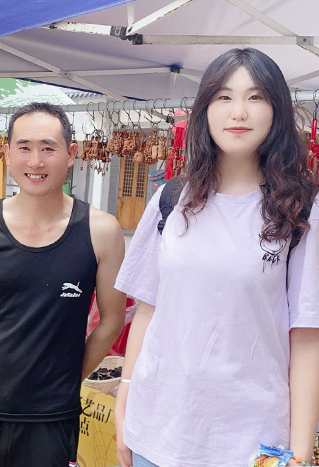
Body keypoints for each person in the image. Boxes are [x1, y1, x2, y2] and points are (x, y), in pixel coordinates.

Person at [114, 48, 319, 467]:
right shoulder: (171, 199)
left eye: (256, 97)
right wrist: (125, 394)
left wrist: (299, 453)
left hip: (249, 444)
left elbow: (307, 336)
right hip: (154, 431)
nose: (238, 111)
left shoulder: (301, 209)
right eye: (224, 96)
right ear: (205, 109)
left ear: (277, 111)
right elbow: (148, 311)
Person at [0, 102, 126, 467]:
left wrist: (68, 377)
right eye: (24, 147)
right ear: (8, 153)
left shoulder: (102, 231)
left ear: (71, 154)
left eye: (48, 148)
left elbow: (111, 321)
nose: (35, 162)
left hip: (50, 416)